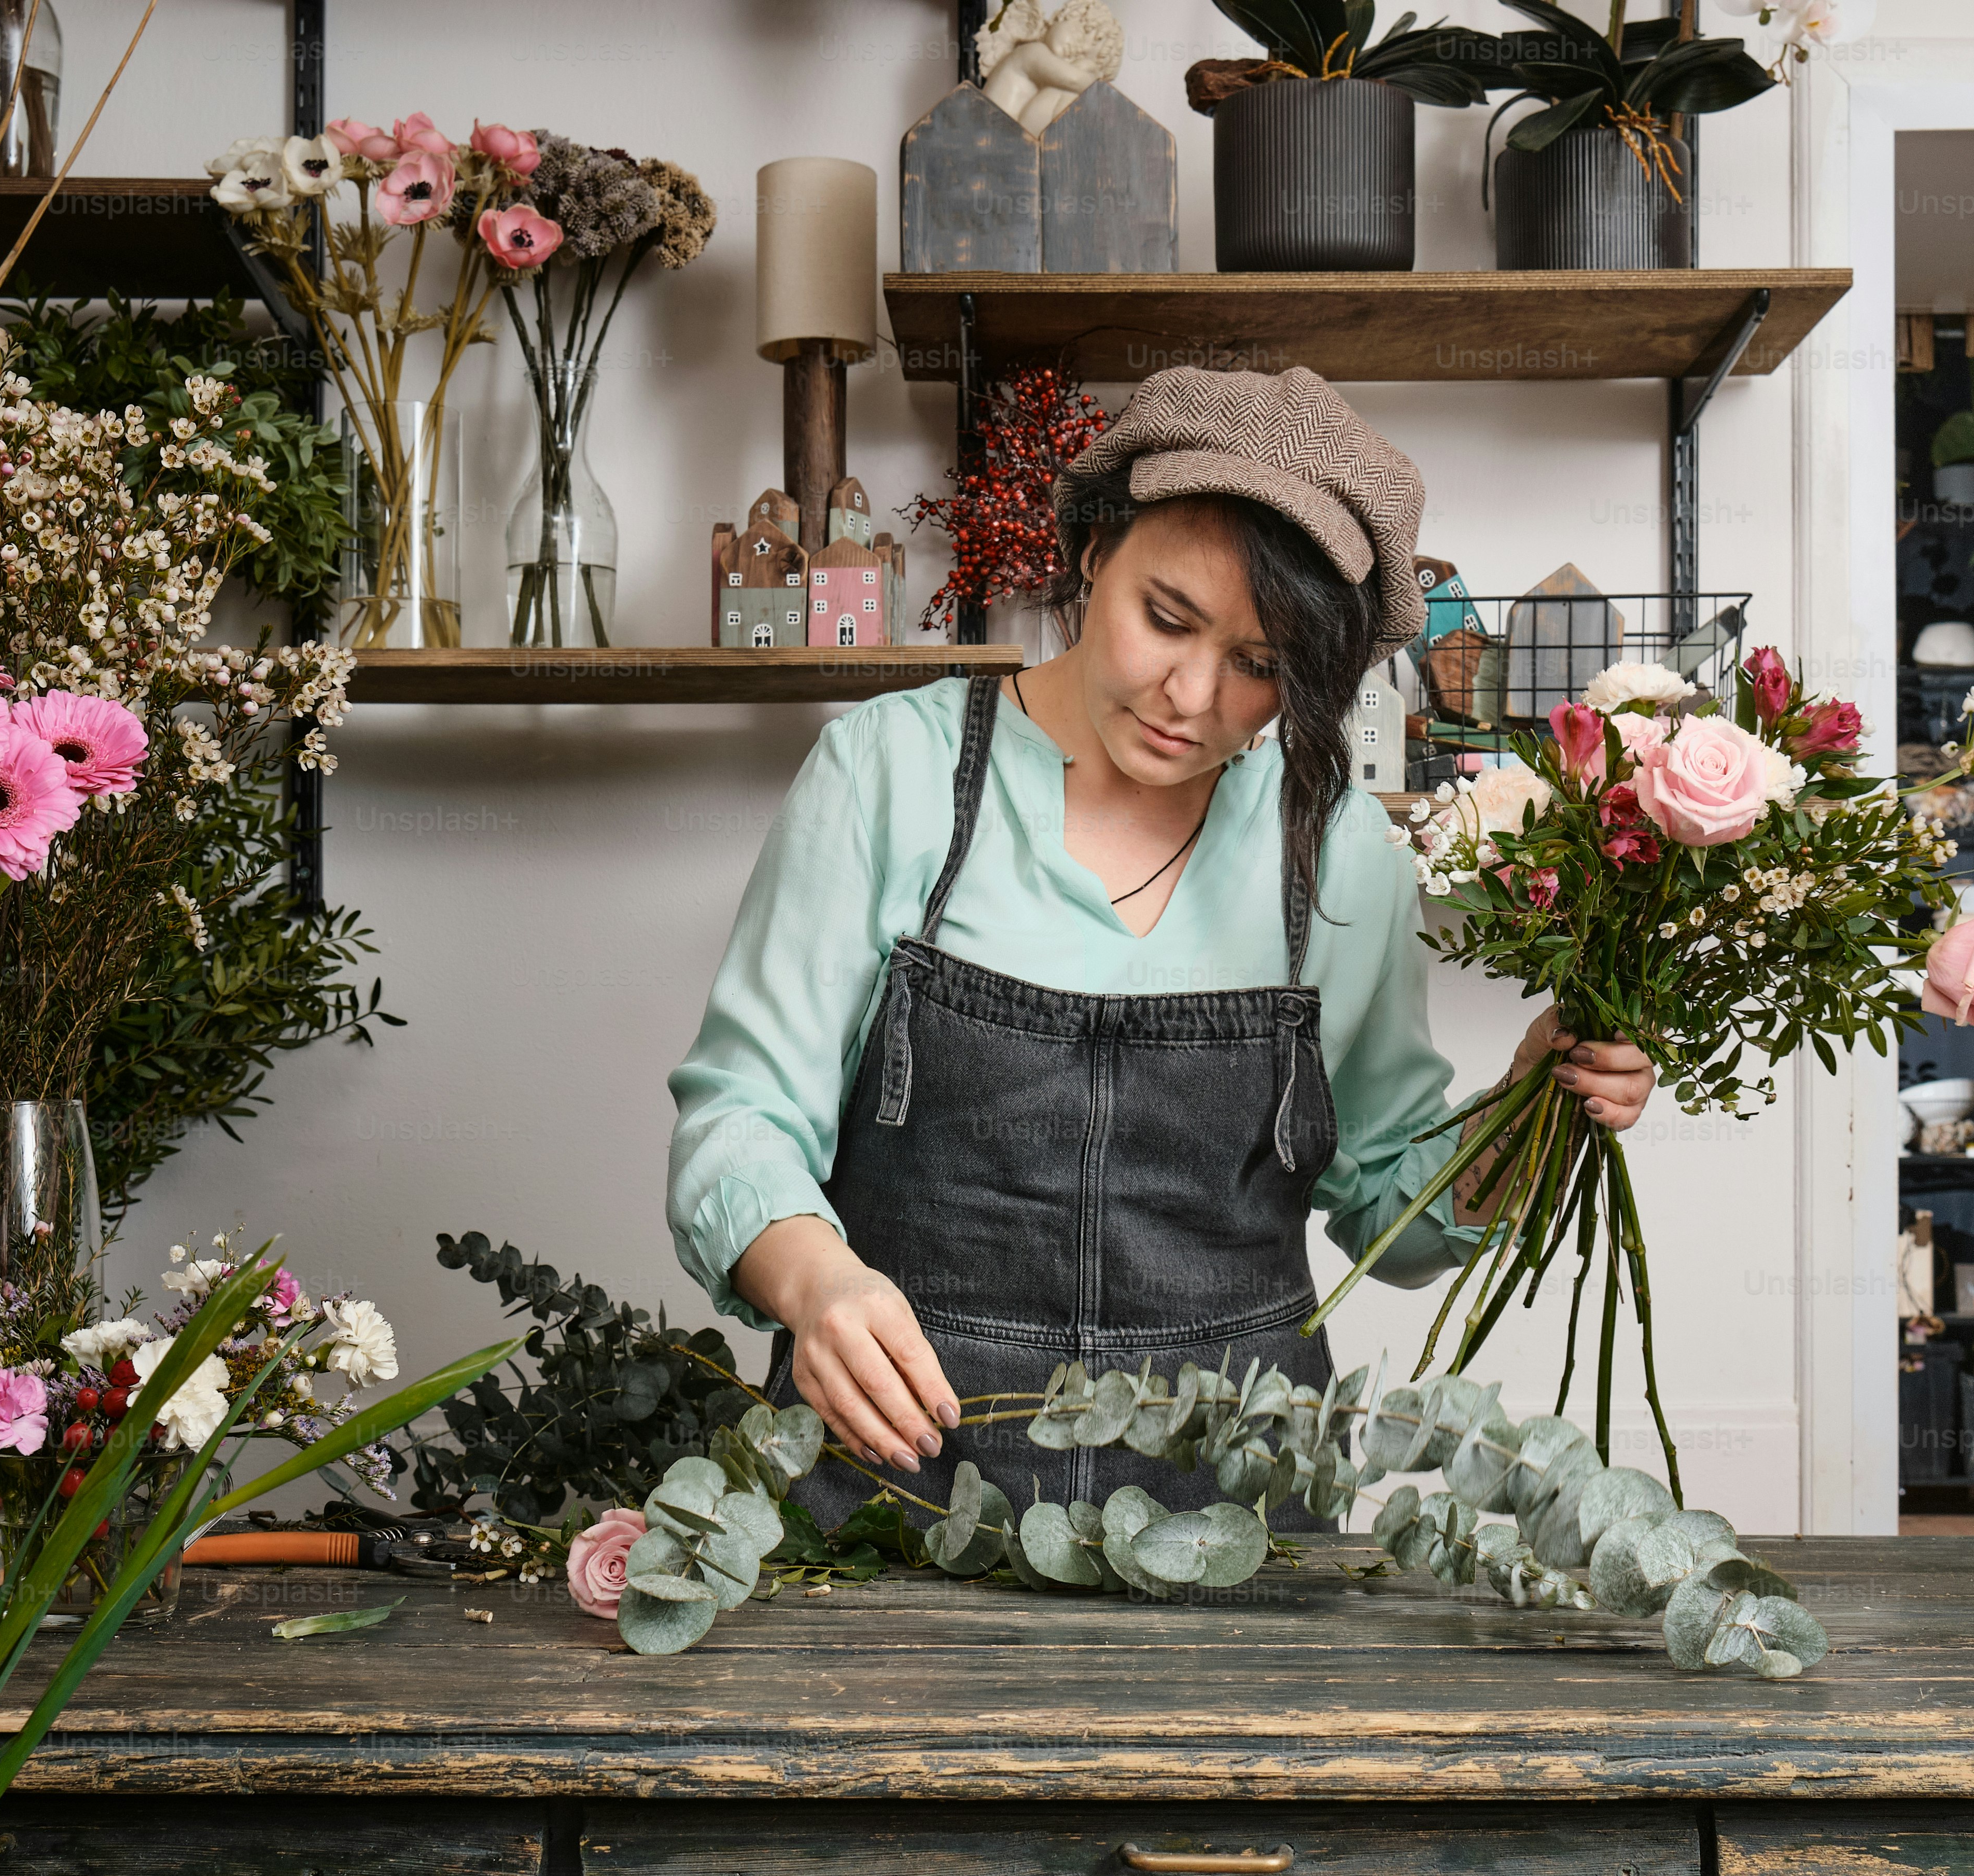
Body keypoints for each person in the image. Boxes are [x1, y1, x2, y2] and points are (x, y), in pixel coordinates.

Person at [666, 366, 1655, 1532]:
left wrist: (1537, 1100)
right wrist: (815, 1281)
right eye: (1168, 618)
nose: (1190, 695)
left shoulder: (1337, 846)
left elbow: (1396, 1208)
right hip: (897, 1489)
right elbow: (739, 1120)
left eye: (1261, 665)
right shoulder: (888, 775)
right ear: (1095, 553)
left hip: (1235, 1522)